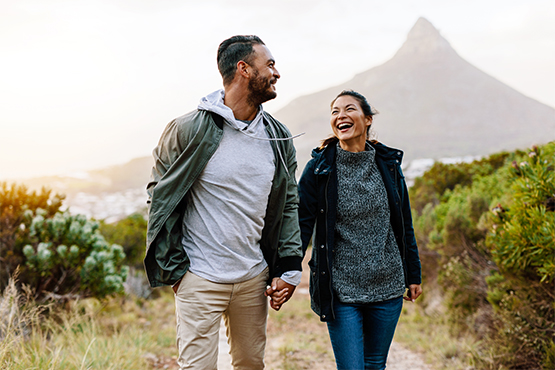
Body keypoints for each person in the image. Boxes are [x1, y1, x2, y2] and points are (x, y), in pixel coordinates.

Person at [144, 35, 303, 370]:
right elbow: (159, 196)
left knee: (250, 364)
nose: (277, 73)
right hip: (199, 279)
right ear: (243, 69)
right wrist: (175, 270)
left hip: (253, 278)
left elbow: (289, 202)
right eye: (269, 64)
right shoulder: (187, 129)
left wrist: (288, 266)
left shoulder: (279, 136)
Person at [298, 90, 422, 370]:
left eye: (349, 109)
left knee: (375, 365)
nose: (340, 115)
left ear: (367, 120)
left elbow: (404, 223)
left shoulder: (388, 166)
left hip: (387, 285)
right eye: (334, 111)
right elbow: (301, 224)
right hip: (341, 289)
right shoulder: (319, 169)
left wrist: (413, 274)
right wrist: (288, 270)